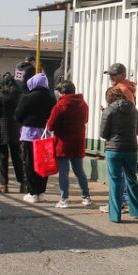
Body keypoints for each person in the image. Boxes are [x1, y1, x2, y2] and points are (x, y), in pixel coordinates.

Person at [101, 86, 138, 223]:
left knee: (115, 181)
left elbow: (103, 134)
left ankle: (115, 215)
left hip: (113, 149)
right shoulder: (134, 110)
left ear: (109, 98)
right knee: (132, 179)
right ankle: (136, 211)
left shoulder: (109, 110)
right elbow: (137, 130)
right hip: (131, 148)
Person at [46, 80, 91, 208]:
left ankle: (64, 199)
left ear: (62, 92)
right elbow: (86, 119)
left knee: (64, 172)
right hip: (78, 142)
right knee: (79, 171)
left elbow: (50, 125)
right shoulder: (83, 104)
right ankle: (86, 197)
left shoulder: (59, 106)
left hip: (62, 143)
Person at [15, 72, 57, 202]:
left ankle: (32, 193)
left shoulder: (27, 97)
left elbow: (18, 116)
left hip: (29, 135)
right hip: (45, 135)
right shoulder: (51, 99)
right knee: (43, 163)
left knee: (29, 163)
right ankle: (40, 192)